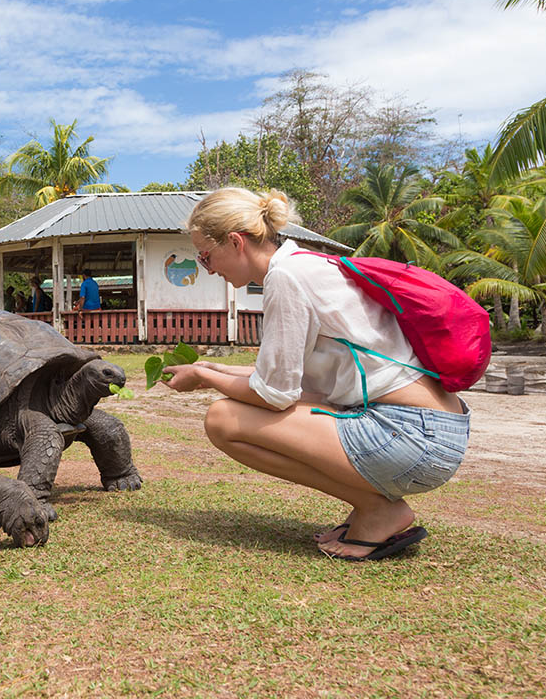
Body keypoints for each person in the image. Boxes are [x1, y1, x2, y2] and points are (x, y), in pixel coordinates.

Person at [162, 187, 470, 562]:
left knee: (223, 419)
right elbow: (289, 383)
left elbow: (273, 395)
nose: (209, 269)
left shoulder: (287, 278)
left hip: (409, 436)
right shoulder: (306, 265)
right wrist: (209, 368)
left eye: (206, 256)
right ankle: (372, 507)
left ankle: (377, 510)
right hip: (433, 432)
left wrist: (205, 379)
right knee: (230, 411)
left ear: (235, 241)